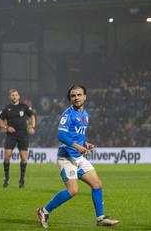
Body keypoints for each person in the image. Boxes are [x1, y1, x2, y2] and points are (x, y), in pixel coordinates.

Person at [36, 85, 118, 228]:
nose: (76, 98)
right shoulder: (67, 115)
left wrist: (85, 143)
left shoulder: (85, 114)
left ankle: (100, 219)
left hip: (78, 157)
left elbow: (80, 134)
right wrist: (77, 146)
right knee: (73, 190)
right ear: (70, 98)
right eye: (73, 96)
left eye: (79, 95)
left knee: (97, 184)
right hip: (66, 158)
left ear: (85, 96)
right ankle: (44, 210)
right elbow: (61, 135)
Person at [0, 89, 36, 188]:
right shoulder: (6, 109)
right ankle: (6, 178)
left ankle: (21, 179)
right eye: (12, 95)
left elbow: (32, 116)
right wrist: (7, 127)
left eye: (16, 95)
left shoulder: (24, 107)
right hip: (11, 135)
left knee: (23, 158)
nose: (14, 97)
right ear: (10, 97)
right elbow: (0, 122)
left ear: (19, 96)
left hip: (23, 135)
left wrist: (32, 127)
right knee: (6, 157)